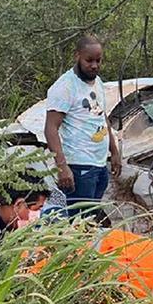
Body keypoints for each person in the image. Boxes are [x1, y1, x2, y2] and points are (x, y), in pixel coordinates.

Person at [44, 35, 122, 217]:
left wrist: (114, 151)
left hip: (99, 163)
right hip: (79, 165)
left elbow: (102, 117)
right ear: (77, 56)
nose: (94, 65)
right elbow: (50, 129)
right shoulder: (65, 87)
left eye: (98, 60)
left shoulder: (98, 82)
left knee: (91, 215)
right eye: (89, 60)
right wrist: (62, 167)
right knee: (80, 220)